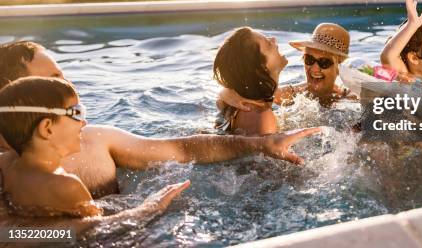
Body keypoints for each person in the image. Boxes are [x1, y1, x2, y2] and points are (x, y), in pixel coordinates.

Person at [0, 41, 321, 199]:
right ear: (15, 92)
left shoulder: (97, 139)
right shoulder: (7, 170)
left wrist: (263, 144)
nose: (69, 84)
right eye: (55, 77)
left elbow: (182, 149)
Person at [0, 76, 190, 223]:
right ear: (47, 128)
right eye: (76, 113)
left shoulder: (8, 171)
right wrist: (151, 208)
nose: (84, 122)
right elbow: (103, 230)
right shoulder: (67, 185)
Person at [218, 23, 356, 113]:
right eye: (309, 59)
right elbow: (251, 94)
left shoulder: (352, 98)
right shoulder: (294, 94)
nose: (314, 68)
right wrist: (225, 94)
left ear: (339, 67)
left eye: (324, 62)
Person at [213, 27, 286, 135]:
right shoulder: (261, 115)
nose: (274, 39)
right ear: (261, 67)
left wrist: (224, 93)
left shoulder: (240, 104)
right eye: (269, 44)